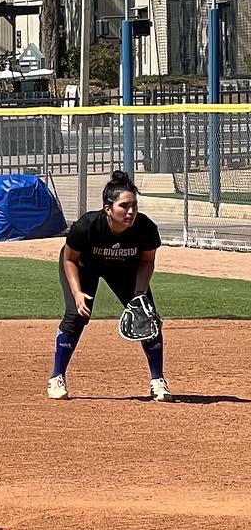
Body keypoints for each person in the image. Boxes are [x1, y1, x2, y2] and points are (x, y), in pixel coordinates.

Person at [47, 170, 170, 401]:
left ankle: (157, 380)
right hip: (84, 266)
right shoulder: (87, 226)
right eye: (124, 206)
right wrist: (77, 293)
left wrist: (140, 295)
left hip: (124, 268)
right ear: (108, 208)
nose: (131, 211)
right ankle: (56, 377)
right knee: (77, 316)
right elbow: (70, 259)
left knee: (146, 317)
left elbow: (147, 261)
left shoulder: (145, 228)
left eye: (134, 205)